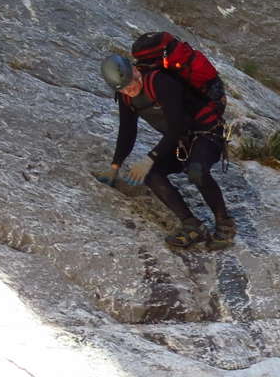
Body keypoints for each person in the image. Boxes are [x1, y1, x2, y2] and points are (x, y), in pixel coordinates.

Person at [96, 42, 235, 250]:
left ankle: (225, 224)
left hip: (208, 133)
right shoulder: (126, 96)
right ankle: (191, 224)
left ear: (135, 70)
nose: (130, 89)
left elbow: (177, 126)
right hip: (181, 141)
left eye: (131, 83)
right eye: (123, 88)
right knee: (151, 174)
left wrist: (150, 157)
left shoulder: (160, 82)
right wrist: (115, 166)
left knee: (196, 171)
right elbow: (127, 131)